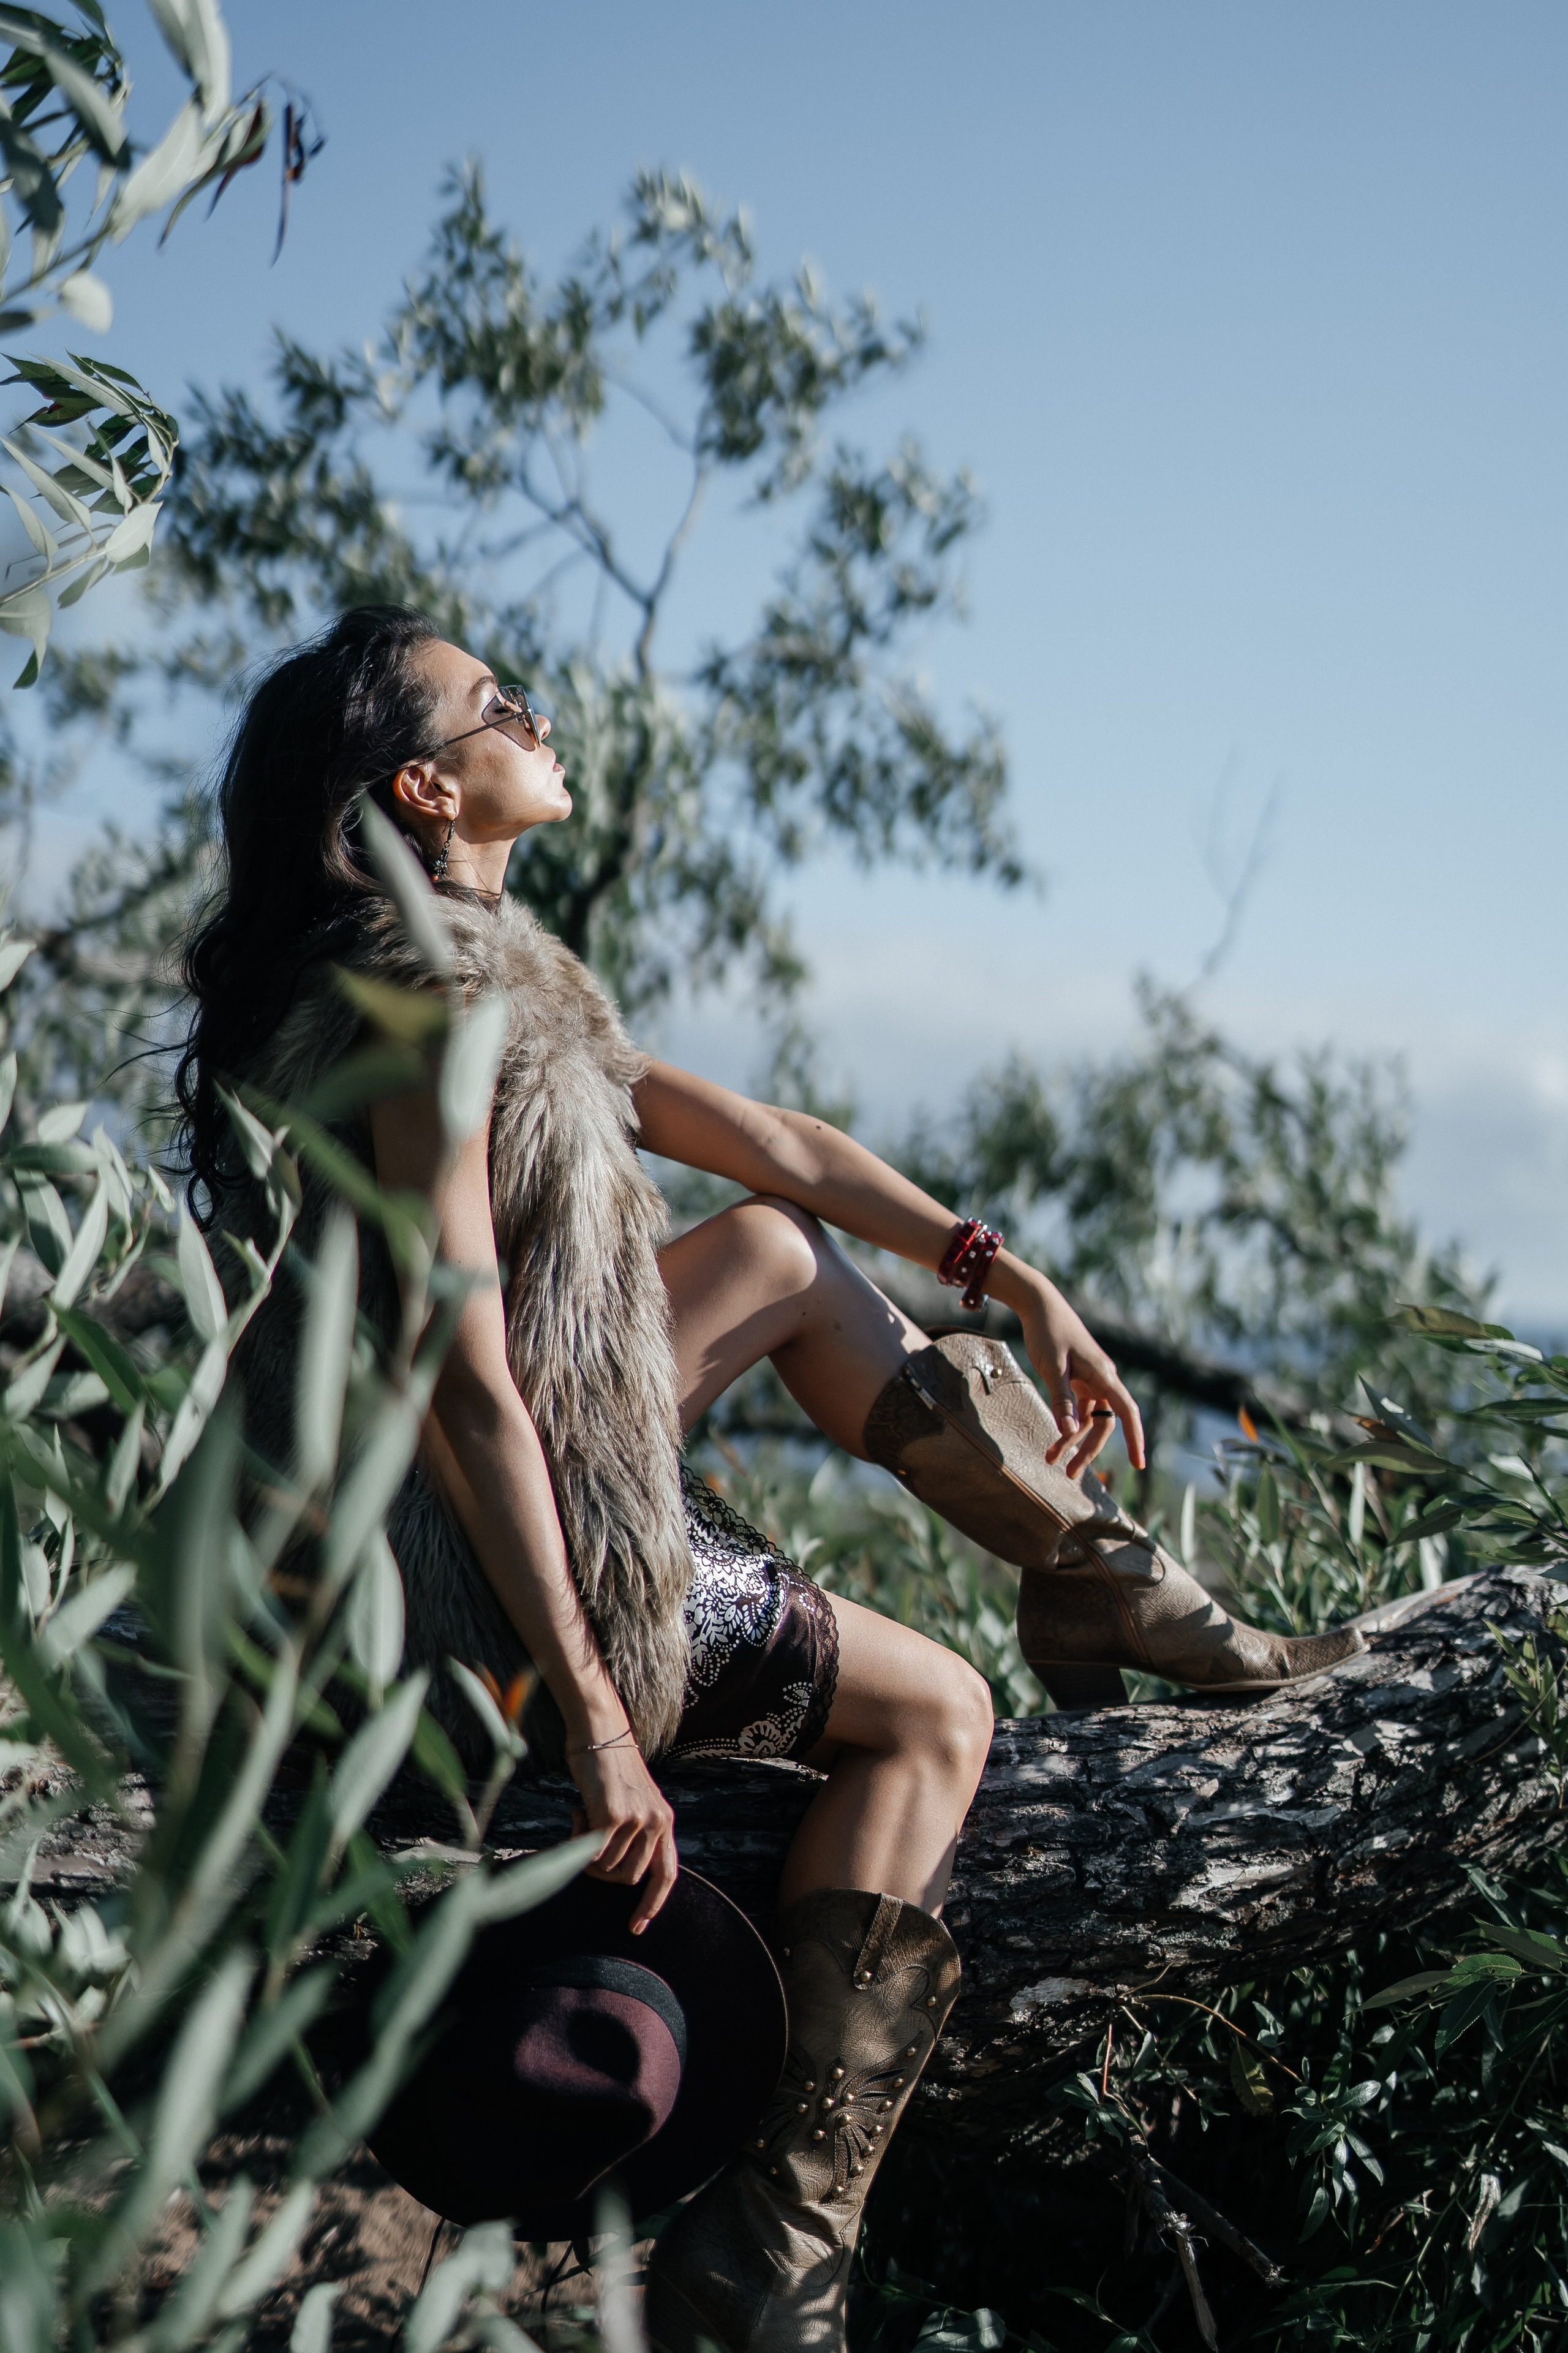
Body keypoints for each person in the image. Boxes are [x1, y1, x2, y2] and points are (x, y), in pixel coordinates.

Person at [176, 606, 1363, 2353]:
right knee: (942, 1711)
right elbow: (461, 1373)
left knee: (781, 1248)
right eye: (505, 702)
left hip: (479, 1536)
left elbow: (777, 1151)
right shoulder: (423, 1006)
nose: (544, 711)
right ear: (426, 786)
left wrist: (1005, 1269)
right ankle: (785, 2236)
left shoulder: (492, 976)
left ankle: (1102, 1572)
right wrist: (589, 1706)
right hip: (484, 1597)